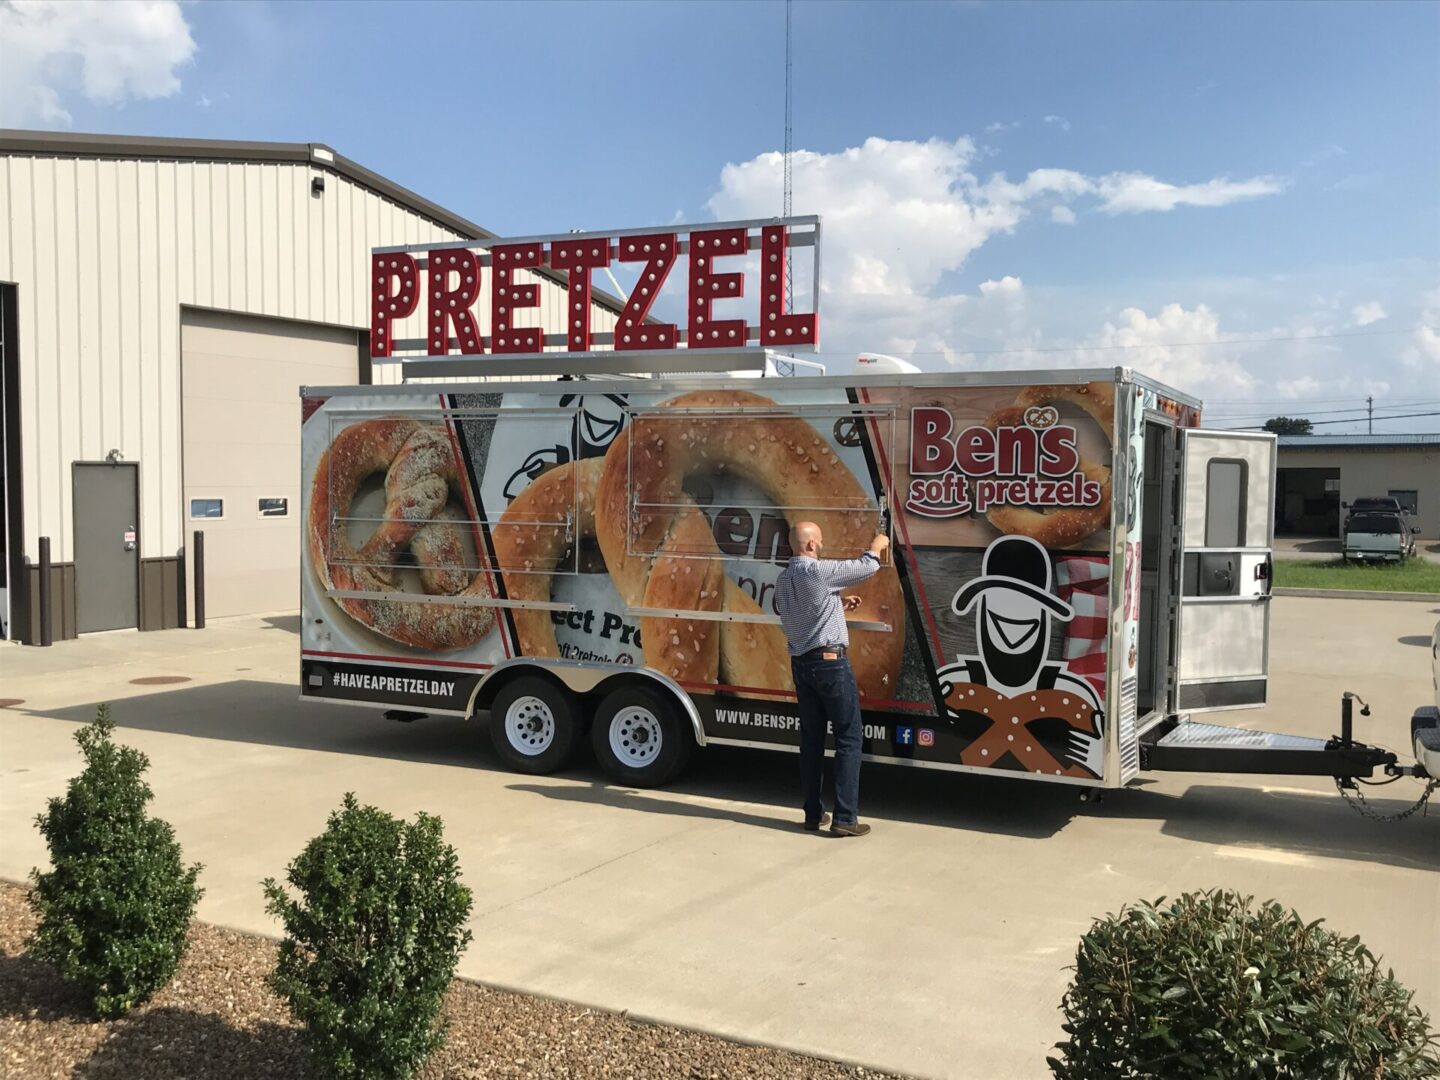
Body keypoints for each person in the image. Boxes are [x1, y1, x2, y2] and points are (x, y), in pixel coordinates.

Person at [773, 521, 890, 837]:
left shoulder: (783, 581)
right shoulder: (819, 572)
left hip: (802, 664)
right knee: (849, 737)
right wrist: (879, 544)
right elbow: (865, 567)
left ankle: (813, 814)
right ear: (810, 545)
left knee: (811, 741)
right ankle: (845, 818)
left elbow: (799, 613)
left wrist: (837, 604)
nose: (821, 546)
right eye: (820, 542)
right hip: (830, 665)